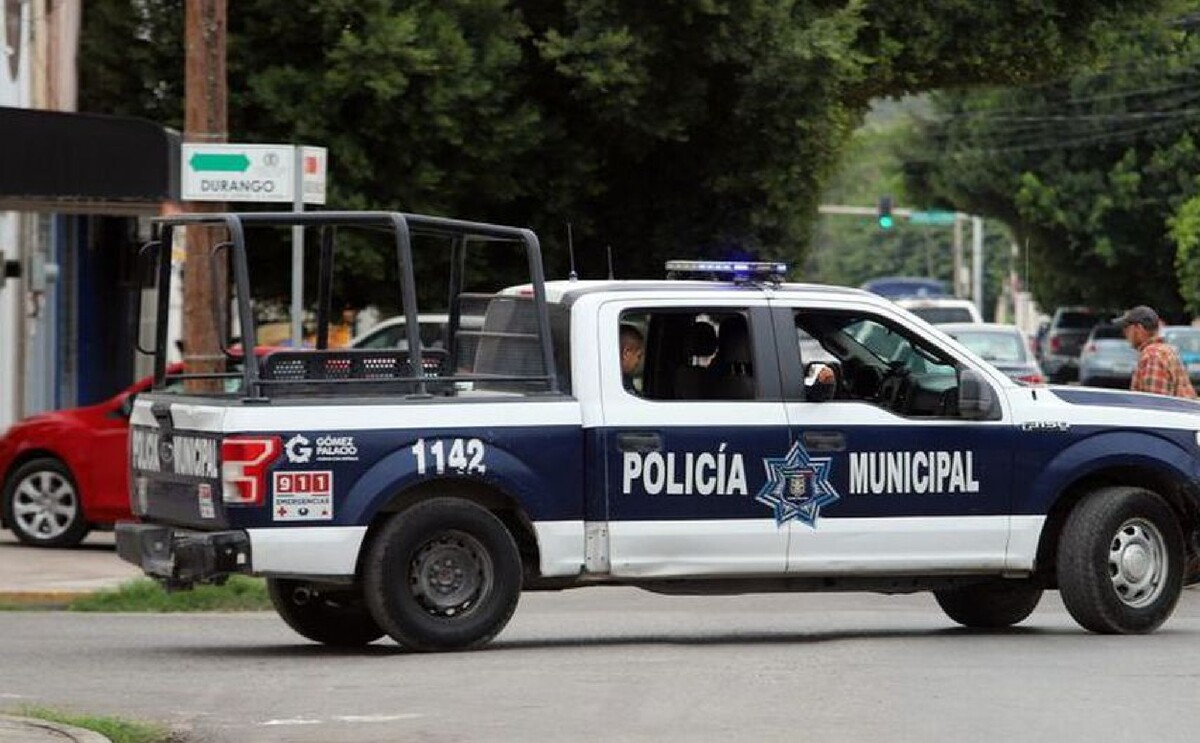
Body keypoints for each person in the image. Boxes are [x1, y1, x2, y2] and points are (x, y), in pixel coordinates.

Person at [1113, 305, 1197, 398]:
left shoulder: (1152, 356)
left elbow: (1154, 404)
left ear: (1139, 328)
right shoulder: (1166, 350)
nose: (1125, 333)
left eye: (1126, 328)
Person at [620, 323, 645, 393]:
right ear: (626, 353)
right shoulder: (623, 385)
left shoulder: (626, 380)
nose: (638, 362)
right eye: (638, 356)